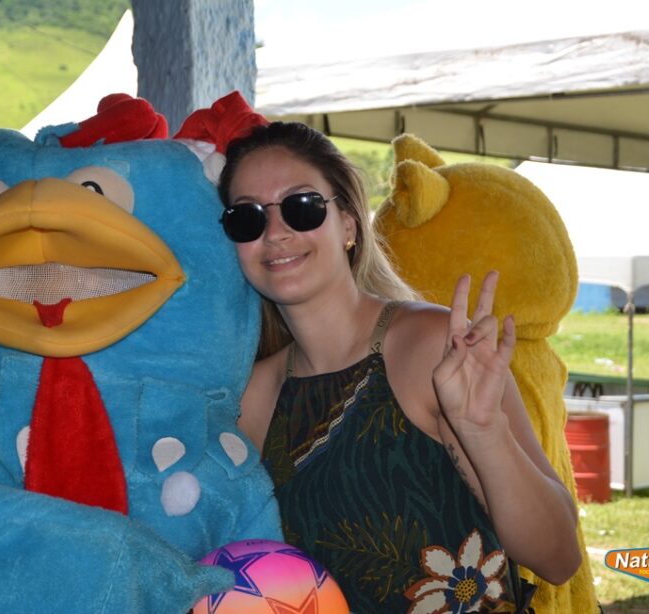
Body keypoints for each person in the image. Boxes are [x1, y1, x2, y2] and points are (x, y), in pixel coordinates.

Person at [219, 121, 582, 613]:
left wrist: (484, 430)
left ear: (348, 224)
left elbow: (558, 558)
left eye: (302, 206)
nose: (276, 232)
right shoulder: (253, 398)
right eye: (247, 218)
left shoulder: (431, 346)